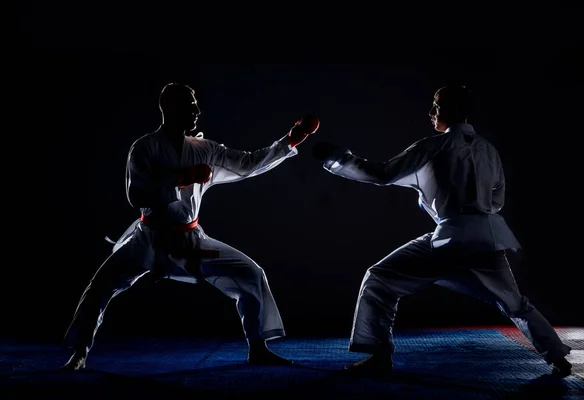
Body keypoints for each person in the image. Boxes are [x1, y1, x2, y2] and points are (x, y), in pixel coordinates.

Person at [312, 84, 572, 378]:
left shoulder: (432, 146)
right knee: (514, 303)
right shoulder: (489, 149)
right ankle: (558, 358)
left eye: (436, 106)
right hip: (488, 237)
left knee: (379, 279)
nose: (431, 112)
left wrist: (336, 159)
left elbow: (382, 174)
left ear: (450, 109)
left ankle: (379, 356)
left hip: (451, 239)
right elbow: (496, 200)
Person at [61, 82, 320, 371]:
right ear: (169, 108)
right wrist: (179, 178)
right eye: (190, 105)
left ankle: (257, 348)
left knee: (251, 274)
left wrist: (290, 140)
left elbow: (247, 163)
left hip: (191, 241)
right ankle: (79, 353)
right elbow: (136, 195)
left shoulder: (204, 149)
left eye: (196, 105)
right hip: (148, 240)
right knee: (99, 288)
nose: (197, 111)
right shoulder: (145, 147)